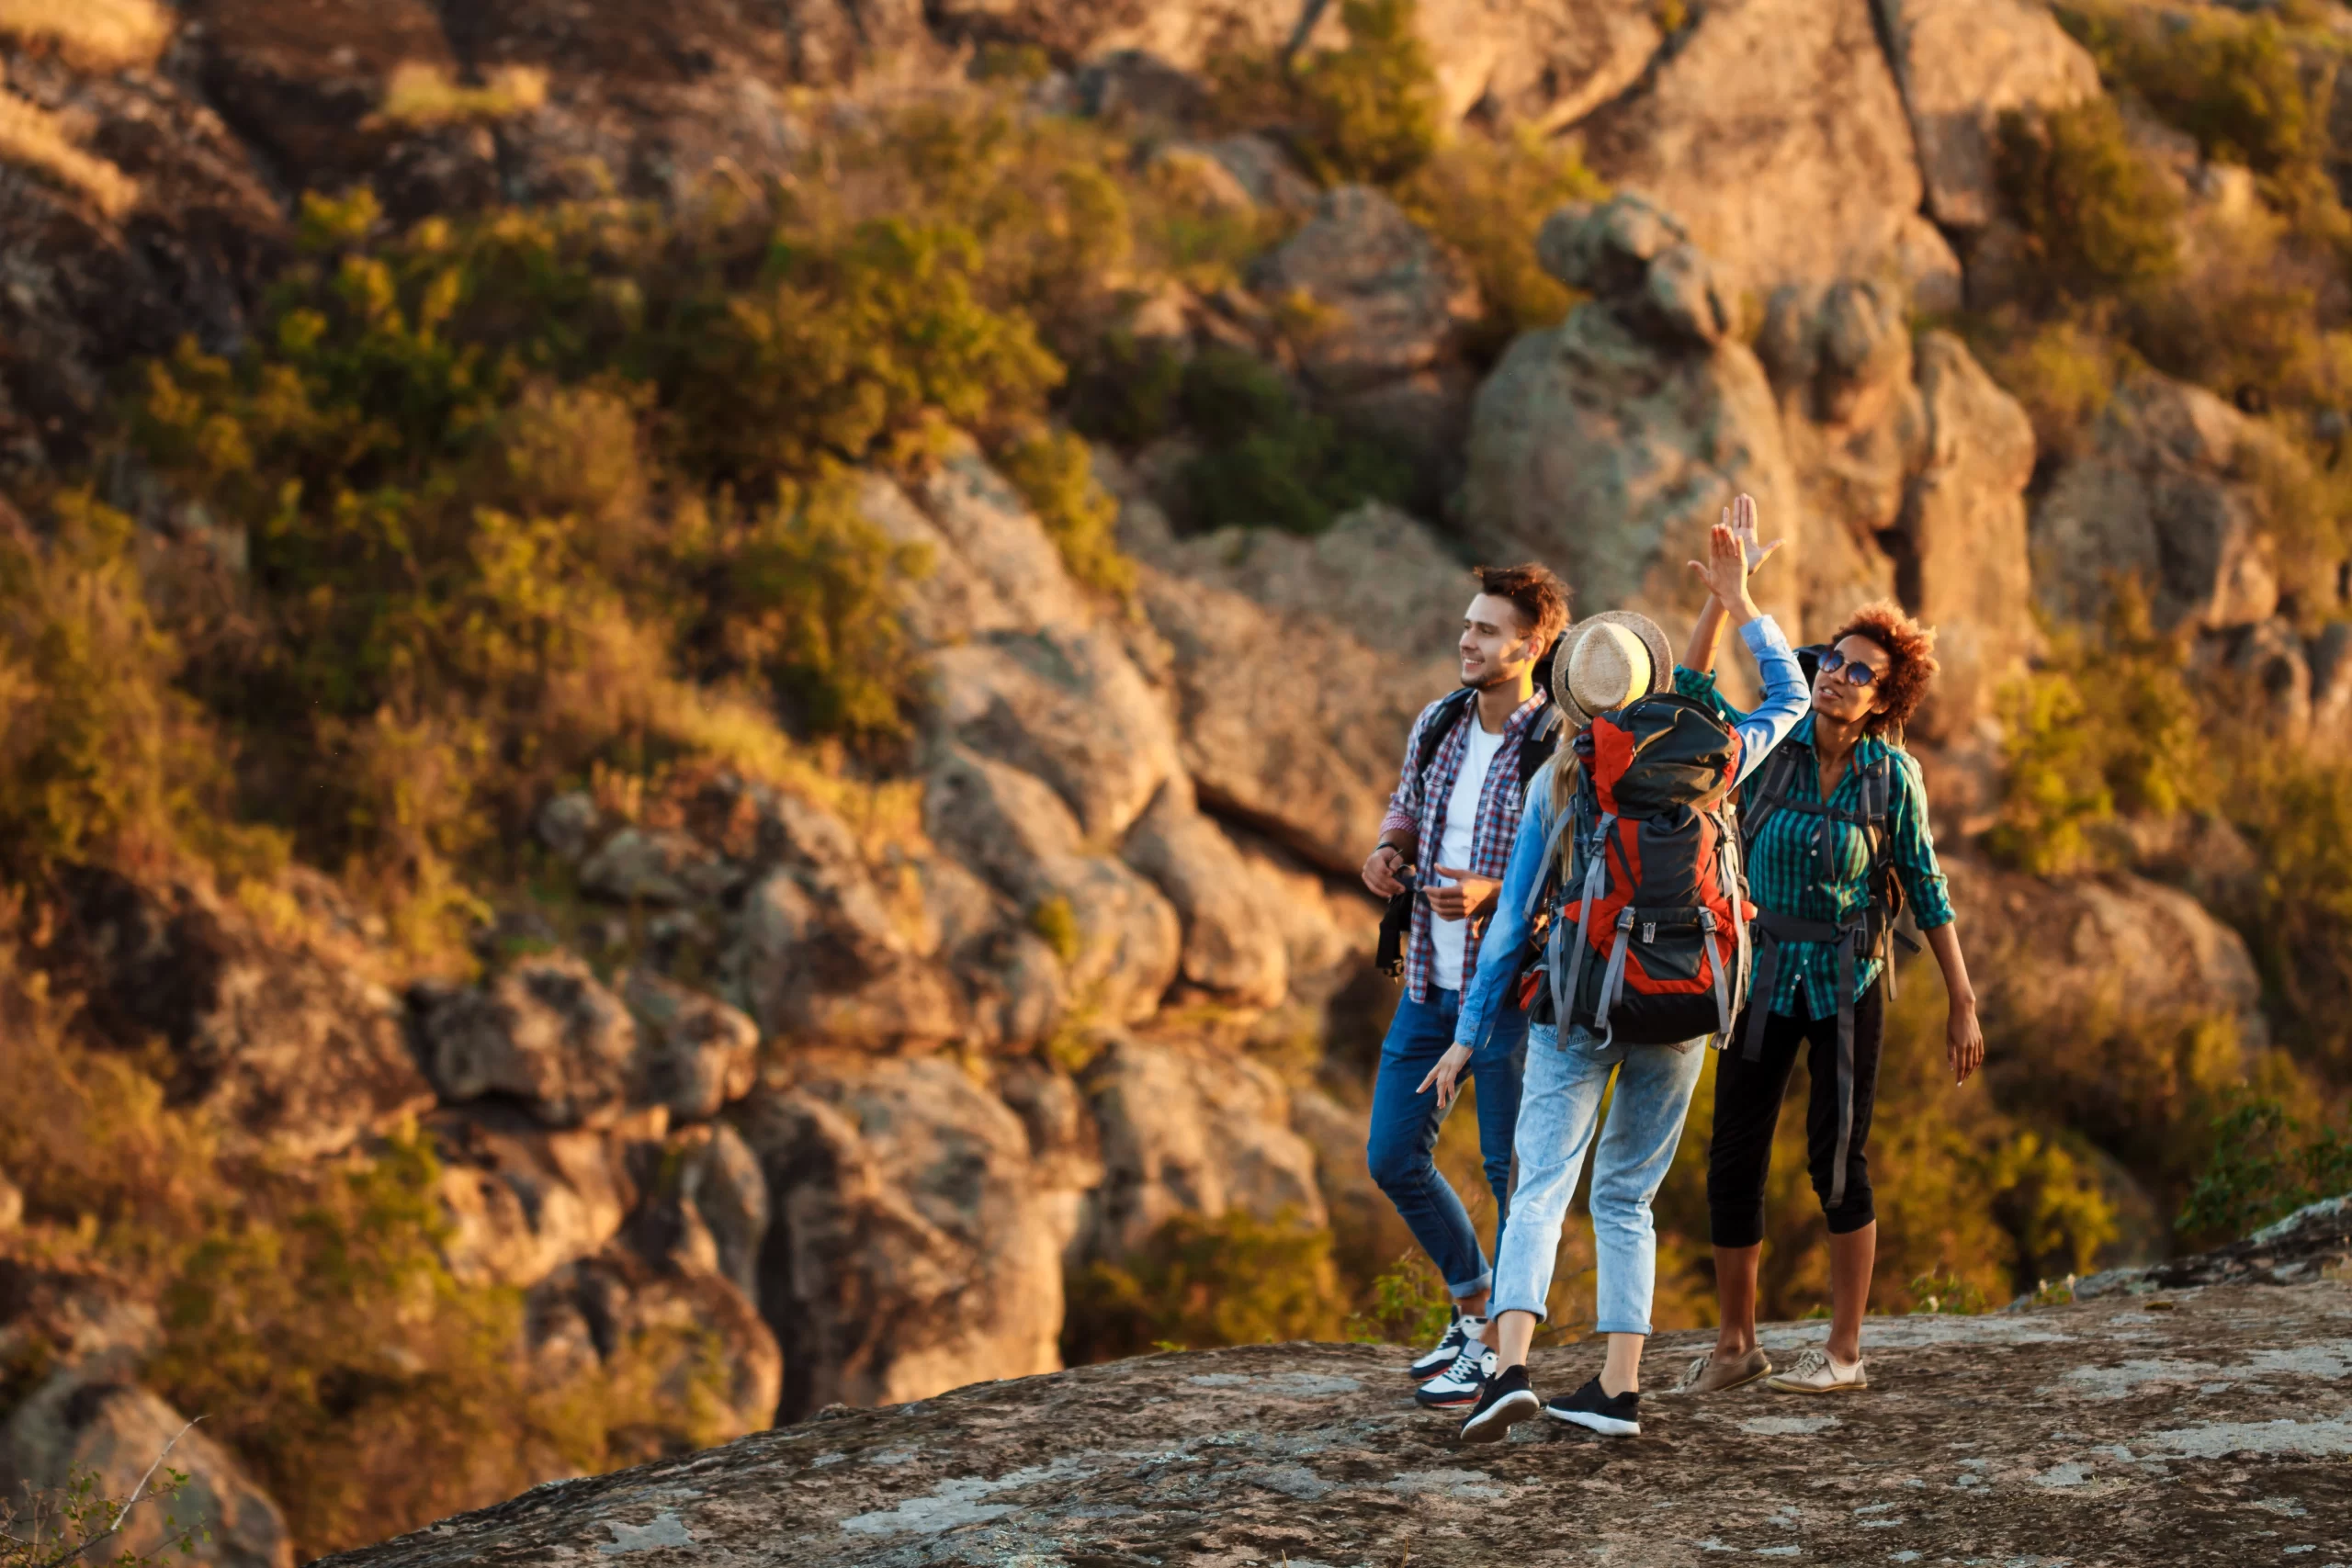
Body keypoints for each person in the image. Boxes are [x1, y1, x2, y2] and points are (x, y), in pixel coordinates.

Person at [1431, 498, 1810, 1440]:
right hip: (1684, 1002)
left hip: (1578, 1001)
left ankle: (1509, 1369)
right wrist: (1739, 601)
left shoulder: (1560, 774)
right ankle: (1616, 1388)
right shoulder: (1713, 756)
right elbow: (1791, 701)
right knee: (1627, 1196)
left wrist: (1469, 1037)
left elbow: (1514, 919)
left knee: (1541, 1187)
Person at [1668, 598, 1985, 1398]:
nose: (1836, 679)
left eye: (1858, 672)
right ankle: (1736, 1345)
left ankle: (1844, 1353)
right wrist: (1727, 602)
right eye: (1831, 663)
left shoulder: (1893, 776)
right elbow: (1693, 701)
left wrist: (1963, 1000)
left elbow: (1926, 886)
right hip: (1761, 974)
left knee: (1838, 1164)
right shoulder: (1771, 748)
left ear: (1885, 696)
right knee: (1734, 1157)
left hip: (1849, 984)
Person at [1358, 563, 1570, 1404]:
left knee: (1509, 1170)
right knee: (1391, 1154)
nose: (1467, 639)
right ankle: (1472, 1299)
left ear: (1532, 645)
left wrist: (1495, 893)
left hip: (1511, 994)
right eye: (1469, 624)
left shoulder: (1556, 742)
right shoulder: (1440, 721)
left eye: (1487, 629)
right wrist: (1390, 848)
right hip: (1427, 985)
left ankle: (1499, 1347)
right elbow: (1406, 802)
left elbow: (1574, 866)